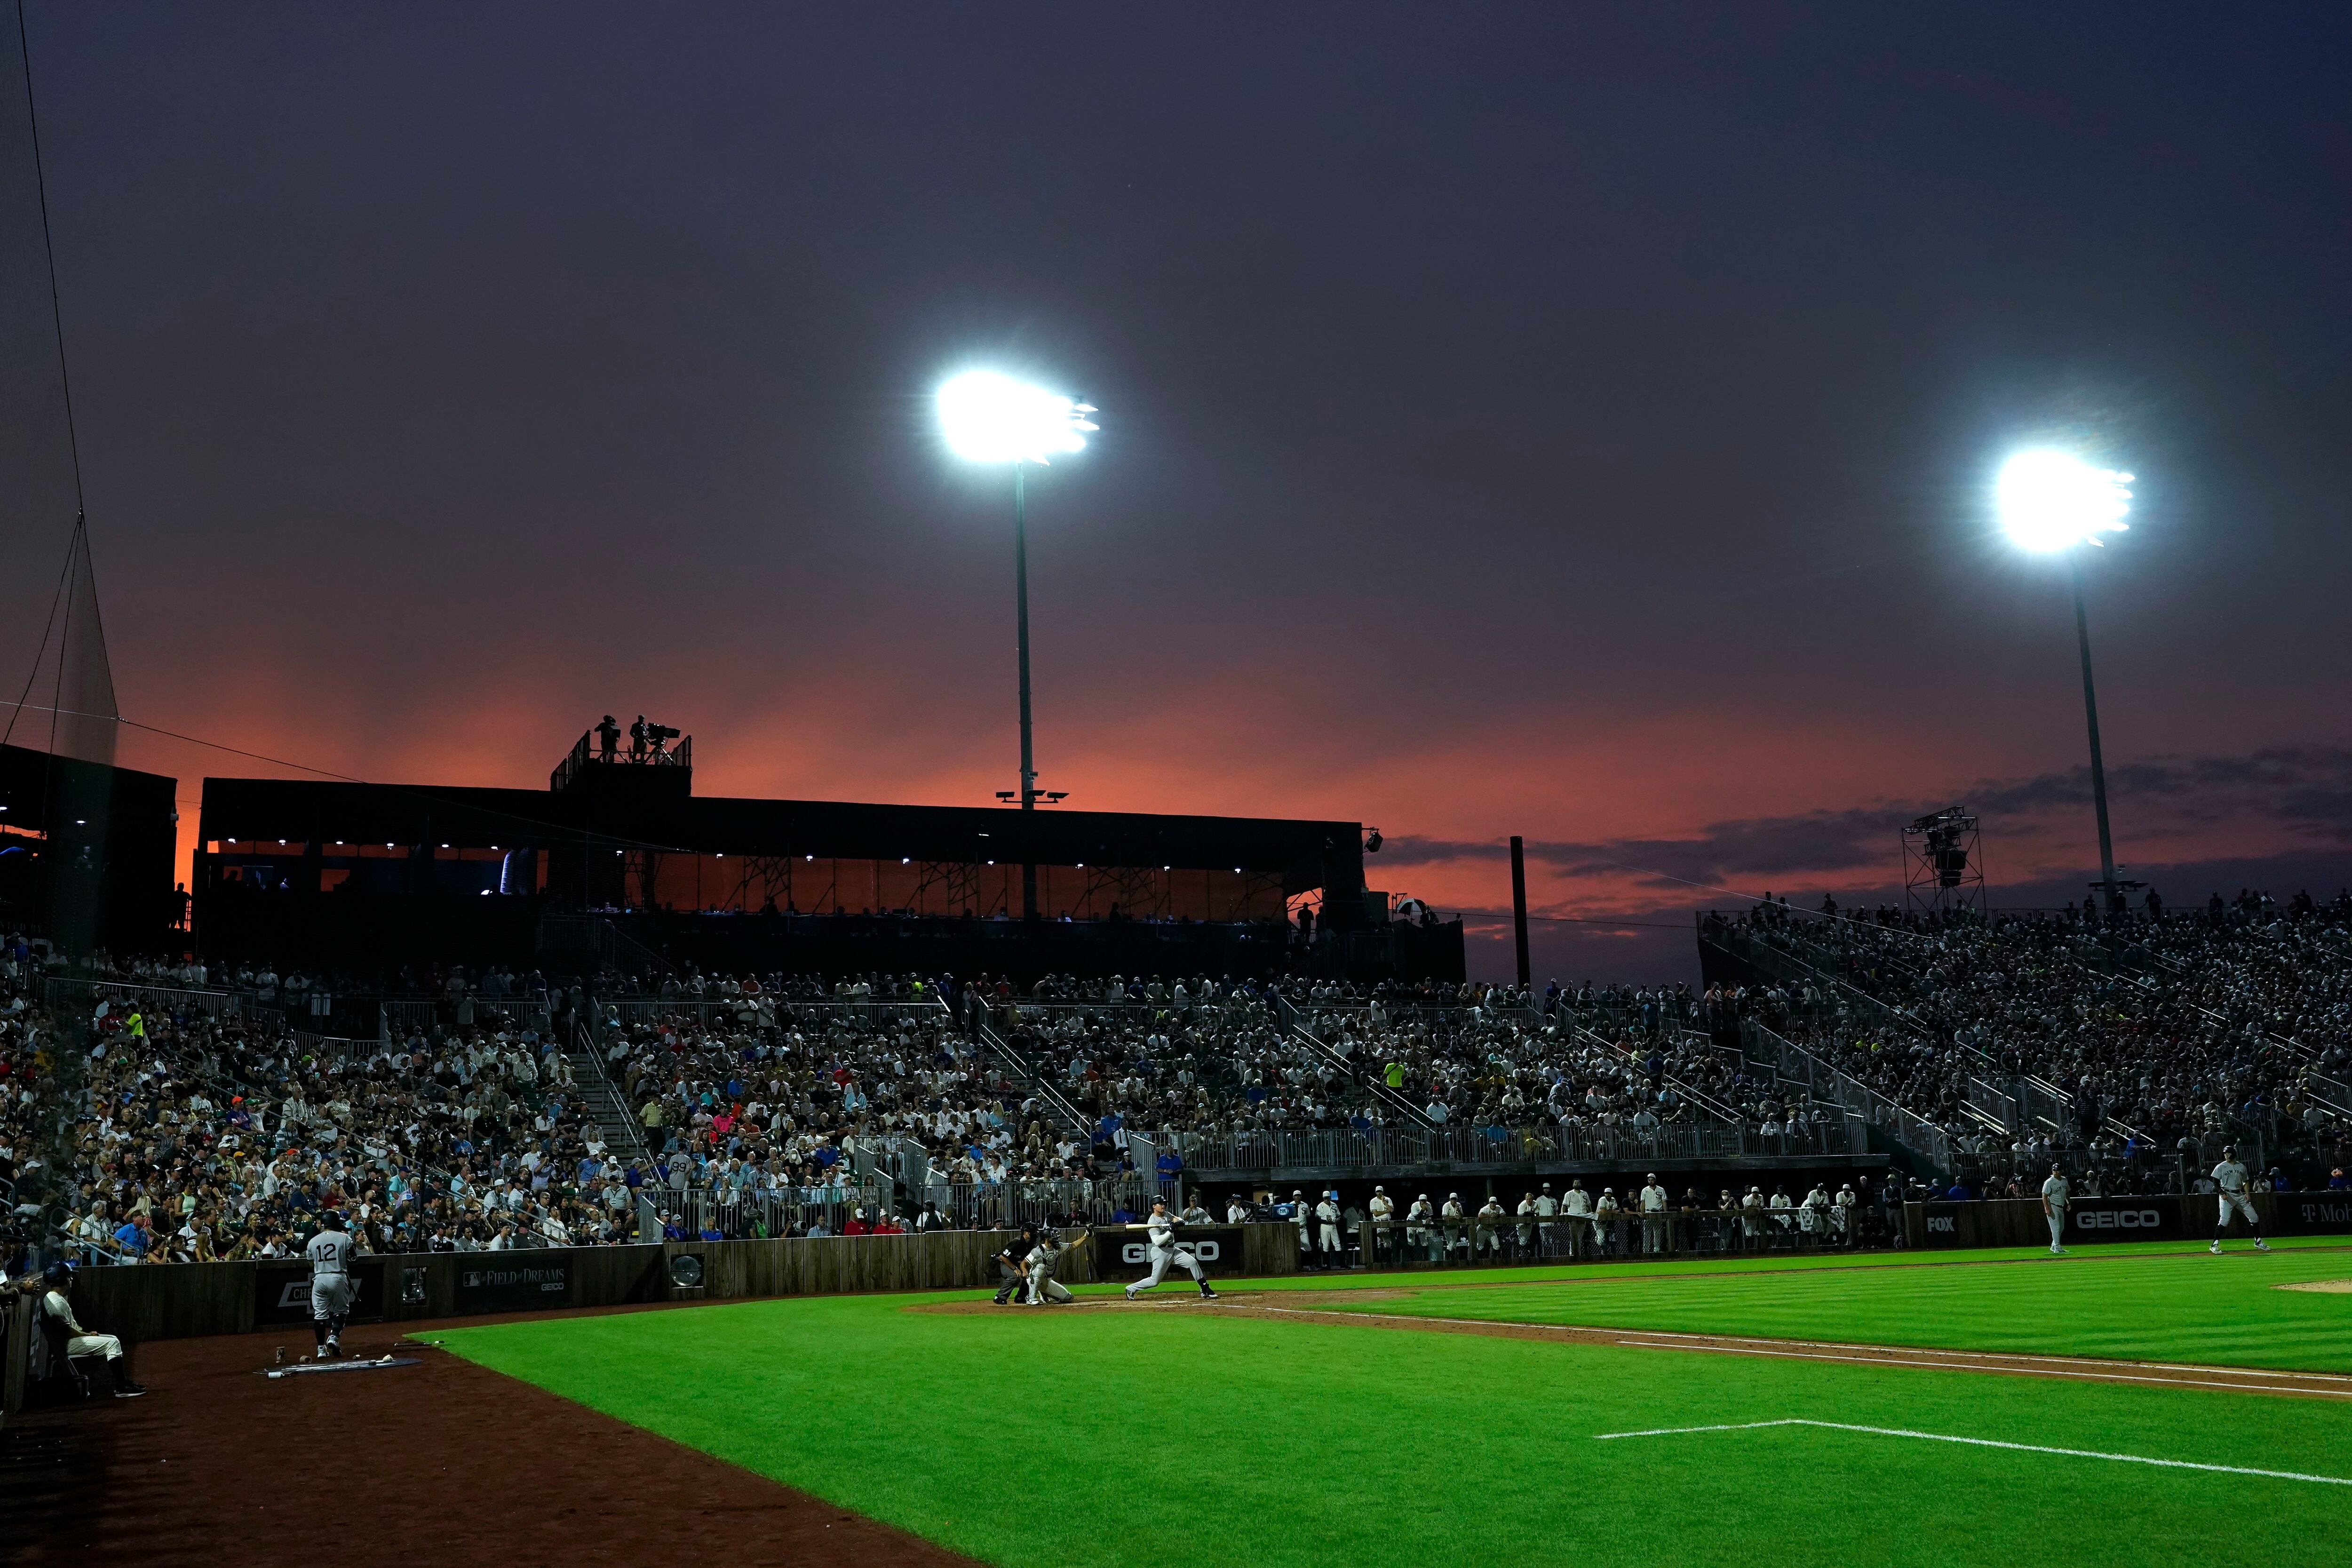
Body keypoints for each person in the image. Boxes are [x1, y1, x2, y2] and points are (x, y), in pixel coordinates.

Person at [40, 1263, 146, 1397]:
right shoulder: (56, 1302)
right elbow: (67, 1332)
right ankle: (122, 1387)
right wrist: (87, 1334)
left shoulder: (55, 1298)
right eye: (69, 1277)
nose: (71, 1280)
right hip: (65, 1345)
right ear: (61, 1280)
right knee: (112, 1344)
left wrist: (87, 1335)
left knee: (113, 1339)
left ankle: (123, 1382)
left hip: (65, 1342)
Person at [1123, 1198, 1217, 1300]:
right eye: (1161, 1204)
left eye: (1164, 1204)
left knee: (1192, 1262)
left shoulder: (1167, 1215)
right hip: (1160, 1252)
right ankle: (1131, 1288)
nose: (1163, 1206)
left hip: (1173, 1250)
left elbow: (1181, 1220)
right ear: (1154, 1206)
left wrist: (1178, 1223)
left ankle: (1204, 1289)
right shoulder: (1152, 1221)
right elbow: (1157, 1241)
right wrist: (1170, 1230)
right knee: (1154, 1281)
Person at [306, 1209, 361, 1359]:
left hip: (319, 1279)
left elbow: (311, 1263)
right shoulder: (345, 1238)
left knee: (320, 1315)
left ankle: (321, 1349)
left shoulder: (313, 1241)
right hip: (338, 1276)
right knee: (341, 1311)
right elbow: (353, 1259)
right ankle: (334, 1336)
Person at [2209, 1145, 2271, 1254]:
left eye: (2227, 1153)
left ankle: (2258, 1241)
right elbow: (2215, 1182)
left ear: (2233, 1154)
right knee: (2225, 1220)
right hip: (2227, 1194)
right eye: (2225, 1153)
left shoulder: (2241, 1167)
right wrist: (2222, 1192)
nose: (2226, 1155)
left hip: (2239, 1194)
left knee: (2254, 1217)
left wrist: (2247, 1194)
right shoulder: (2221, 1167)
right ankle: (2214, 1244)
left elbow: (2246, 1181)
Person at [1022, 1226, 1090, 1305]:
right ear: (1047, 1238)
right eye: (1053, 1236)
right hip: (1034, 1278)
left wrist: (1086, 1236)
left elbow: (1073, 1246)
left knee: (1068, 1298)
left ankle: (1045, 1294)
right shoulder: (1038, 1250)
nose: (1056, 1238)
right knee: (1041, 1267)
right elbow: (1024, 1262)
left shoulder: (1057, 1248)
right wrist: (1024, 1270)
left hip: (1047, 1281)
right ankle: (1031, 1297)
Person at [991, 1225, 1038, 1305]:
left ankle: (1021, 1297)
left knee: (1030, 1275)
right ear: (1026, 1233)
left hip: (1016, 1262)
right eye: (1032, 1232)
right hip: (1003, 1262)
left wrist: (1024, 1269)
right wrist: (1015, 1268)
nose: (1035, 1234)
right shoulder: (1017, 1242)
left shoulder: (1030, 1243)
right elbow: (1003, 1257)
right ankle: (1000, 1297)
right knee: (1014, 1277)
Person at [2039, 1163, 2070, 1255]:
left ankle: (2054, 1246)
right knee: (2056, 1228)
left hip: (2061, 1206)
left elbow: (2067, 1192)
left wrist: (2069, 1203)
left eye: (2057, 1170)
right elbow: (2044, 1196)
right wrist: (2047, 1209)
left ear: (2061, 1171)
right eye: (2054, 1170)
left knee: (2061, 1228)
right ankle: (2057, 1247)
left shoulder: (2064, 1180)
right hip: (2052, 1205)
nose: (2055, 1172)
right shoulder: (2049, 1182)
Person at [1315, 1190, 1343, 1268]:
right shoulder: (1320, 1206)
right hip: (1325, 1226)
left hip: (1334, 1226)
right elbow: (1317, 1219)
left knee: (1338, 1244)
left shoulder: (1334, 1205)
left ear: (1330, 1198)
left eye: (1328, 1198)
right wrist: (1326, 1221)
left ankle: (1342, 1264)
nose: (1326, 1200)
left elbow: (1339, 1215)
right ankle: (1327, 1265)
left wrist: (1338, 1220)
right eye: (1325, 1198)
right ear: (1323, 1198)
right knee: (1325, 1246)